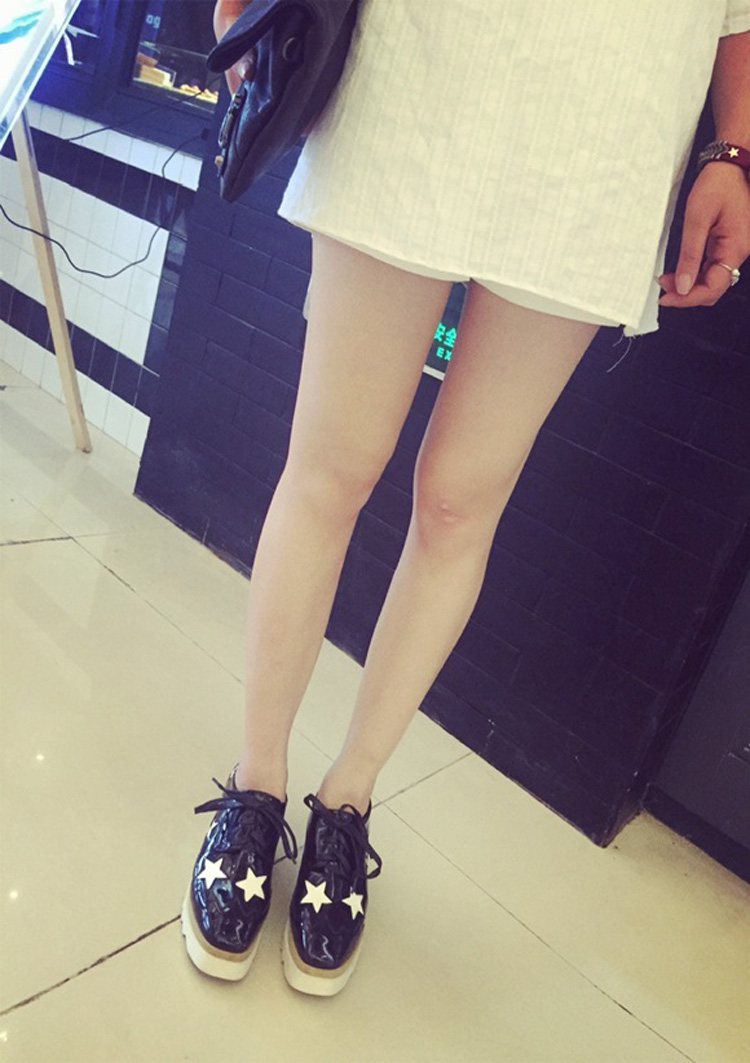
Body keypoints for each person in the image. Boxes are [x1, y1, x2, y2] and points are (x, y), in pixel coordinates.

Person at [181, 0, 750, 997]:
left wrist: (733, 145)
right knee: (331, 467)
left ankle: (348, 801)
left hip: (613, 122)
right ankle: (257, 784)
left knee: (460, 504)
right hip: (422, 63)